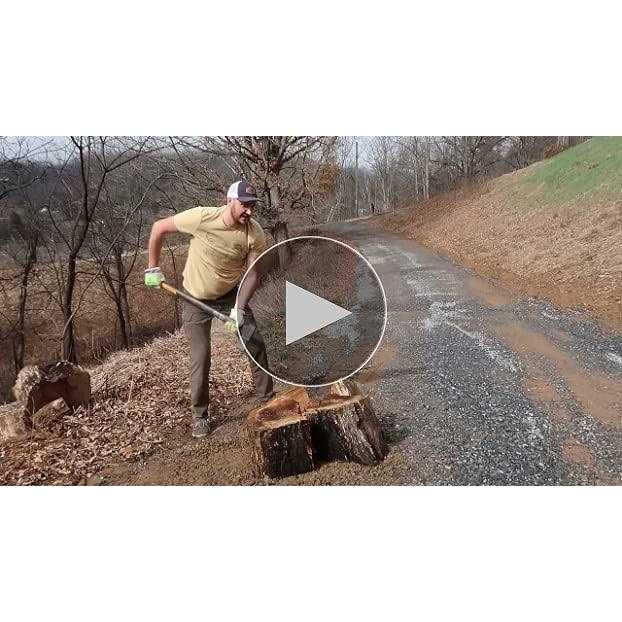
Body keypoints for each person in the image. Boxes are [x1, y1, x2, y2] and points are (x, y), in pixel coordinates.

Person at [144, 181, 274, 438]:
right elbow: (159, 228)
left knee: (254, 342)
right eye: (244, 205)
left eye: (252, 206)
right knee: (201, 356)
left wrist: (239, 309)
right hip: (194, 297)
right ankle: (200, 415)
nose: (249, 211)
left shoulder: (254, 233)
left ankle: (267, 399)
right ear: (229, 201)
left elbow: (253, 274)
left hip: (230, 295)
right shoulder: (202, 217)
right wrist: (152, 267)